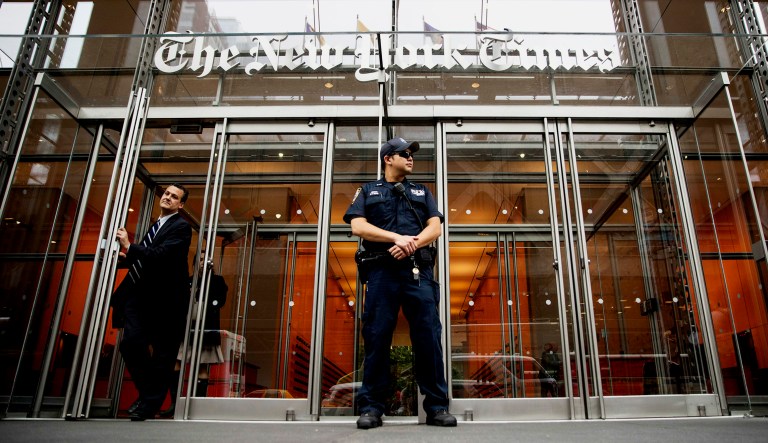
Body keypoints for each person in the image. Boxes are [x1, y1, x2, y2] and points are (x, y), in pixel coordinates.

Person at [344, 137, 457, 429]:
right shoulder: (369, 191)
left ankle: (436, 407)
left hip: (418, 271)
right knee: (377, 337)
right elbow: (358, 225)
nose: (411, 158)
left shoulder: (422, 190)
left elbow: (436, 227)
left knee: (429, 339)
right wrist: (397, 238)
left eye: (411, 154)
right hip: (382, 272)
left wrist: (411, 243)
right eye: (404, 154)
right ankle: (371, 407)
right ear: (387, 158)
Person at [110, 184, 192, 421]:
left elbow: (160, 257)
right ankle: (149, 396)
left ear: (181, 204)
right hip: (142, 298)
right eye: (166, 193)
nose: (168, 197)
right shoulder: (156, 226)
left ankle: (148, 404)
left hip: (167, 303)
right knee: (130, 344)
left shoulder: (181, 227)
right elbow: (145, 258)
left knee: (163, 357)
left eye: (174, 197)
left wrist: (128, 244)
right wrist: (125, 256)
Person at [160, 253, 228, 417]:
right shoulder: (188, 281)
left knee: (202, 366)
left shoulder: (217, 281)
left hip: (205, 328)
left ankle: (197, 405)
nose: (204, 262)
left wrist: (206, 281)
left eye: (207, 260)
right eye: (201, 260)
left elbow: (219, 302)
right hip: (186, 328)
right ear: (195, 263)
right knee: (176, 362)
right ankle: (176, 403)